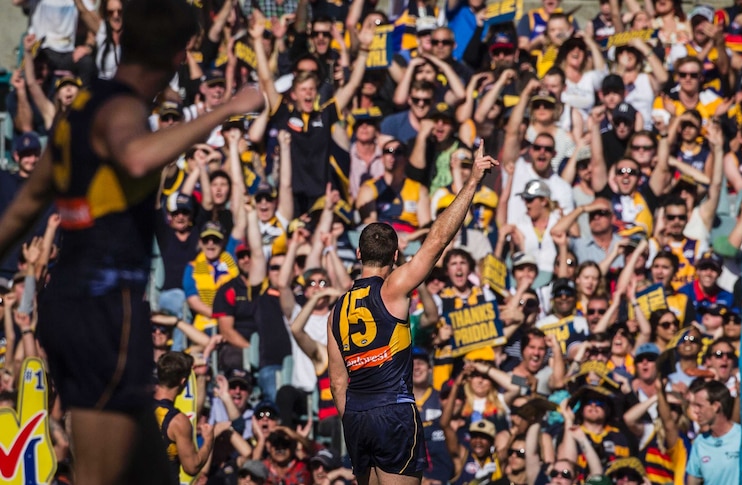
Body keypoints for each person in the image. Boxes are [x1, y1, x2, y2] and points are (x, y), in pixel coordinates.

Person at [0, 0, 265, 482]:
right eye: (186, 51)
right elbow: (138, 158)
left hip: (70, 304)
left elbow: (24, 206)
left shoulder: (81, 106)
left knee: (150, 470)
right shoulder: (121, 106)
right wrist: (226, 109)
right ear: (168, 50)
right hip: (105, 310)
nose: (186, 62)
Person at [327, 140, 498, 484]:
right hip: (393, 410)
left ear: (358, 254)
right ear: (394, 258)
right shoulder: (393, 287)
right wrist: (472, 181)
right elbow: (437, 240)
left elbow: (337, 382)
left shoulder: (337, 309)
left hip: (357, 415)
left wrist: (356, 420)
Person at [153, 352, 215, 477]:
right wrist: (208, 440)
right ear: (183, 381)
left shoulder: (138, 408)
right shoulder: (177, 421)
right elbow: (192, 466)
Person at [686, 380, 741, 485]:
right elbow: (692, 482)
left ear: (715, 406)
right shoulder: (700, 443)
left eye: (700, 406)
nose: (696, 411)